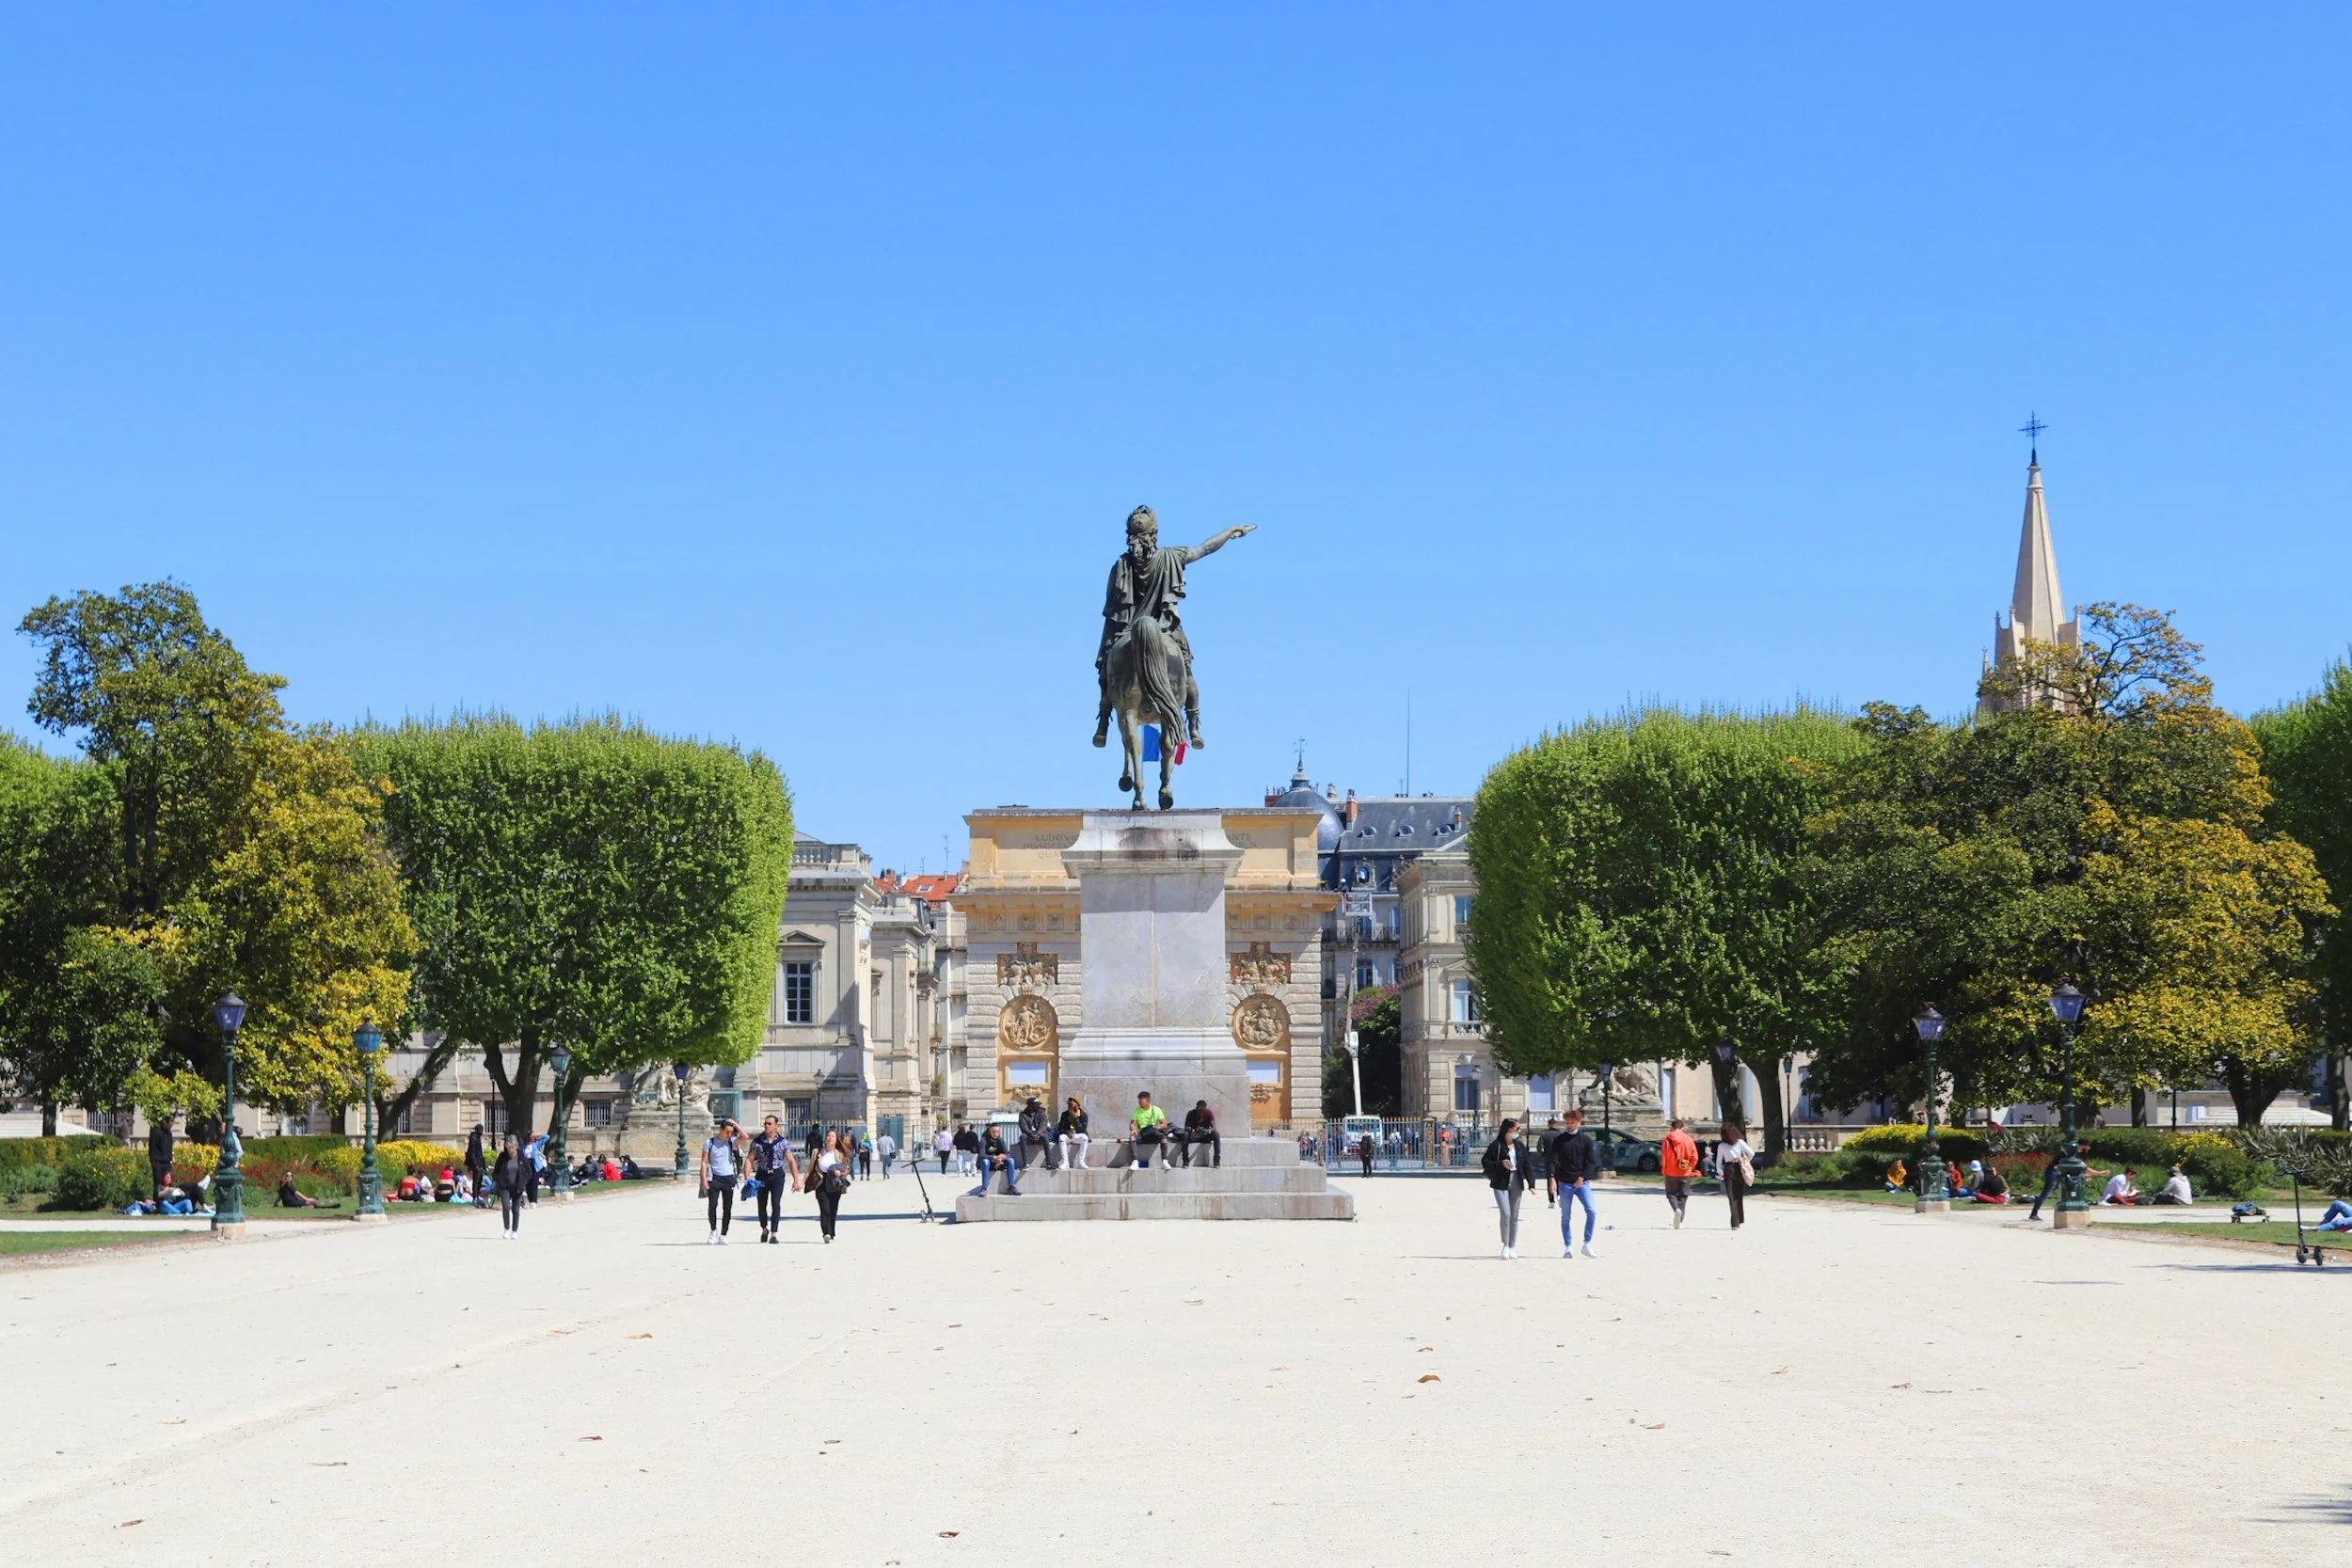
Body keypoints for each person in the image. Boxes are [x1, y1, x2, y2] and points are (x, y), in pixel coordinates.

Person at [1549, 1107, 1602, 1257]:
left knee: (1591, 1210)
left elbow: (1592, 1162)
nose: (1569, 1125)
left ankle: (1587, 1243)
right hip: (1565, 1182)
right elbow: (1552, 1160)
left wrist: (1582, 1177)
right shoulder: (1559, 1140)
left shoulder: (1585, 1140)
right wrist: (1552, 1177)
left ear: (1579, 1123)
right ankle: (1568, 1245)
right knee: (1566, 1215)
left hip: (1581, 1182)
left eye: (1572, 1122)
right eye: (1567, 1123)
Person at [1483, 1118, 1536, 1259]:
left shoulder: (1519, 1146)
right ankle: (1505, 1245)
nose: (1519, 1132)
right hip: (1500, 1182)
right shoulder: (1497, 1145)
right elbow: (1486, 1162)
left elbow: (1527, 1165)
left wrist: (1531, 1184)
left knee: (1514, 1216)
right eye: (1517, 1129)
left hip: (1517, 1181)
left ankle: (1512, 1246)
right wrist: (1501, 1164)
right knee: (1505, 1213)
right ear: (1509, 1130)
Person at [749, 1114, 801, 1244]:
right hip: (762, 1175)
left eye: (769, 1123)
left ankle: (773, 1234)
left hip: (777, 1175)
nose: (766, 1126)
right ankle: (764, 1228)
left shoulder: (783, 1142)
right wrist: (748, 1178)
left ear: (776, 1126)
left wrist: (796, 1181)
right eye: (765, 1123)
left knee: (775, 1203)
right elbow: (749, 1160)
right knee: (761, 1204)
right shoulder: (757, 1142)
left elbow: (791, 1161)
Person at [701, 1118, 745, 1243]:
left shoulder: (731, 1142)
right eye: (727, 1132)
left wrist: (734, 1123)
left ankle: (724, 1234)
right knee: (712, 1205)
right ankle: (713, 1230)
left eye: (731, 1132)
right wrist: (704, 1178)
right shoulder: (709, 1143)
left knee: (727, 1208)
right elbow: (704, 1161)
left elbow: (745, 1136)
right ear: (720, 1130)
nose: (729, 1135)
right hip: (714, 1178)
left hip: (728, 1178)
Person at [1659, 1117, 1700, 1228]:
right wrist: (1690, 1167)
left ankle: (1676, 1209)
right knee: (1684, 1195)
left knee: (1671, 1194)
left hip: (1671, 1171)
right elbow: (1694, 1156)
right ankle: (1680, 1221)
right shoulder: (1689, 1139)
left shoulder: (1667, 1139)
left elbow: (1664, 1156)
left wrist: (1664, 1169)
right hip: (1685, 1171)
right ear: (1683, 1128)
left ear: (1672, 1128)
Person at [809, 1132, 850, 1242]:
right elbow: (810, 1168)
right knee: (824, 1208)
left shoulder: (840, 1154)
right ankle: (826, 1233)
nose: (830, 1138)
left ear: (836, 1140)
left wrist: (840, 1173)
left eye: (833, 1136)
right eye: (828, 1136)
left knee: (833, 1209)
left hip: (835, 1182)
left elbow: (847, 1169)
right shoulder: (817, 1152)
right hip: (821, 1181)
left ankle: (831, 1232)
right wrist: (801, 1182)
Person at [1716, 1120, 1756, 1229]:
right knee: (1739, 1195)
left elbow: (1719, 1162)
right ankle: (1739, 1218)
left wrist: (1720, 1172)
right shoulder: (1740, 1142)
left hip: (1729, 1168)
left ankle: (1735, 1223)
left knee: (1731, 1197)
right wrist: (1745, 1161)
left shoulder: (1722, 1146)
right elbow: (1752, 1153)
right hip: (1739, 1167)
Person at [493, 1133, 527, 1239]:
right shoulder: (502, 1157)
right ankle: (507, 1229)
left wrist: (523, 1182)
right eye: (508, 1147)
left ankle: (515, 1230)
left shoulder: (521, 1157)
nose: (511, 1149)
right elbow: (496, 1172)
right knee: (506, 1207)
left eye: (513, 1147)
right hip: (505, 1187)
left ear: (516, 1146)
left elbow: (528, 1172)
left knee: (516, 1210)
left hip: (517, 1187)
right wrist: (499, 1181)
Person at [970, 1125, 1019, 1196]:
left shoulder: (1000, 1140)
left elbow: (1007, 1153)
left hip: (999, 1163)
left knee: (1010, 1160)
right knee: (985, 1162)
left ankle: (1011, 1186)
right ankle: (984, 1188)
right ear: (989, 1132)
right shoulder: (984, 1140)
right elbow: (982, 1155)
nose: (995, 1134)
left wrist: (1002, 1157)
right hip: (988, 1164)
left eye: (997, 1132)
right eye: (993, 1132)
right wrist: (994, 1158)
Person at [1130, 1092, 1170, 1168]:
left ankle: (1165, 1161)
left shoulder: (1156, 1110)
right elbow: (1132, 1124)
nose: (1139, 1104)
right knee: (1132, 1137)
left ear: (1148, 1101)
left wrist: (1155, 1128)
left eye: (1141, 1102)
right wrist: (1133, 1130)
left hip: (1153, 1133)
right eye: (1139, 1102)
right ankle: (1135, 1161)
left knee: (1164, 1138)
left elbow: (1164, 1124)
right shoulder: (1137, 1111)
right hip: (1142, 1134)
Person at [1178, 1100, 1221, 1168]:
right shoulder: (1191, 1113)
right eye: (1199, 1111)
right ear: (1196, 1108)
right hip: (1194, 1135)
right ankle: (1185, 1161)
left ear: (1205, 1110)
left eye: (1202, 1111)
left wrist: (1208, 1130)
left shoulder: (1209, 1113)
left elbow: (1213, 1128)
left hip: (1205, 1136)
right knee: (1185, 1134)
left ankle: (1216, 1161)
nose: (1200, 1113)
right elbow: (1186, 1127)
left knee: (1216, 1134)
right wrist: (1193, 1130)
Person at [1018, 1097, 1057, 1172]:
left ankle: (1049, 1163)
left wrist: (1037, 1134)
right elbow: (1023, 1127)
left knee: (1045, 1137)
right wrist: (1031, 1134)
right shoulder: (1023, 1115)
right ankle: (1026, 1163)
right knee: (1022, 1137)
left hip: (1040, 1134)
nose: (1038, 1106)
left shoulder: (1042, 1112)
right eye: (1036, 1105)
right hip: (1029, 1135)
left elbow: (1043, 1125)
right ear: (1030, 1106)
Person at [1056, 1098, 1090, 1172]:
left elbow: (1082, 1130)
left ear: (1077, 1105)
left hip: (1078, 1135)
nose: (1070, 1105)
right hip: (1068, 1135)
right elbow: (1060, 1128)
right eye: (1069, 1104)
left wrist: (1074, 1116)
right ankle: (1065, 1162)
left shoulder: (1083, 1115)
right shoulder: (1065, 1114)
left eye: (1072, 1103)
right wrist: (1067, 1132)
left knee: (1085, 1138)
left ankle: (1081, 1161)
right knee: (1061, 1138)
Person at [147, 1113, 175, 1204]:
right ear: (165, 1123)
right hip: (158, 1162)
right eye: (169, 1125)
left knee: (167, 1181)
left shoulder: (169, 1133)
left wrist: (170, 1160)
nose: (170, 1127)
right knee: (158, 1182)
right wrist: (153, 1161)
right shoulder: (157, 1132)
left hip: (166, 1162)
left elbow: (170, 1147)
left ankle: (167, 1200)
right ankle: (157, 1201)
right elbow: (153, 1146)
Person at [1537, 1117, 1563, 1207]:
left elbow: (1539, 1146)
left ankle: (1551, 1201)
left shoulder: (1544, 1134)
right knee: (1559, 1178)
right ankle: (1559, 1195)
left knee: (1550, 1179)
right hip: (1559, 1159)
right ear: (1556, 1125)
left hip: (1549, 1159)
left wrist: (1542, 1154)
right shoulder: (1560, 1134)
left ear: (1548, 1125)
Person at [465, 1124, 487, 1207]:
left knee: (480, 1179)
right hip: (476, 1163)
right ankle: (475, 1198)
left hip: (479, 1162)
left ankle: (477, 1197)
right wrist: (475, 1165)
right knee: (476, 1180)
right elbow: (472, 1152)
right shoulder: (474, 1138)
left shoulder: (477, 1138)